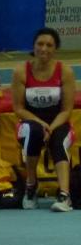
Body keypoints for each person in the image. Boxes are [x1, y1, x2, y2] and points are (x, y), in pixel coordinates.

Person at [11, 27, 75, 211]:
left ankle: (64, 195)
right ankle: (31, 186)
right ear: (33, 46)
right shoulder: (21, 71)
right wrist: (40, 123)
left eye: (49, 45)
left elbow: (67, 110)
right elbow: (18, 108)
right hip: (29, 123)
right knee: (34, 132)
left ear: (55, 49)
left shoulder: (65, 72)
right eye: (40, 44)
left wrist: (51, 128)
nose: (44, 48)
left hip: (59, 122)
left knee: (58, 140)